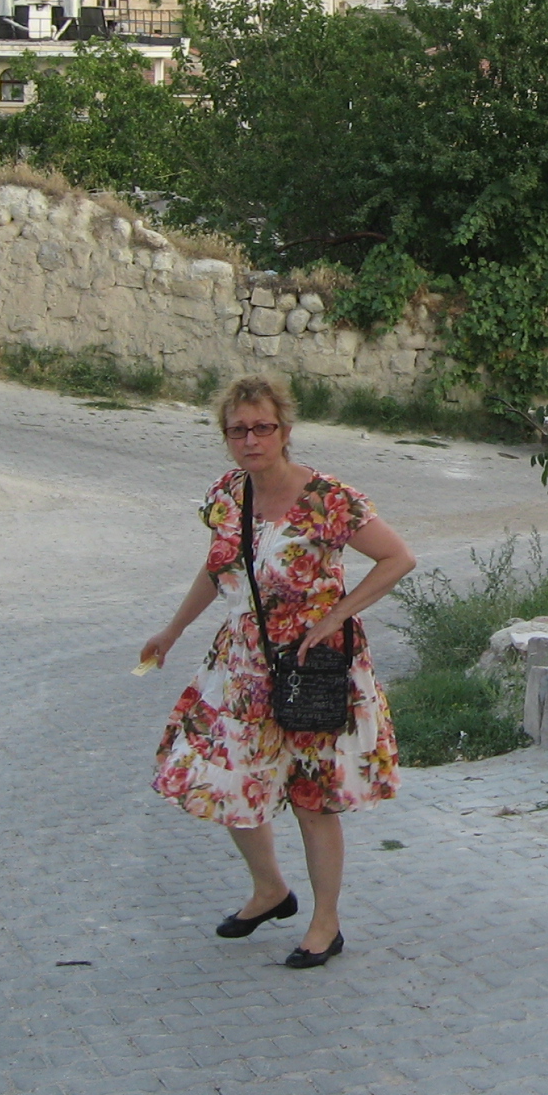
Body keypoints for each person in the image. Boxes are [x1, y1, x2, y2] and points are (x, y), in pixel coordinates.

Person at [142, 376, 414, 968]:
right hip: (242, 664)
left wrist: (336, 615)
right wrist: (172, 630)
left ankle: (325, 923)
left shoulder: (328, 498)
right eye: (238, 430)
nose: (251, 440)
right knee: (224, 780)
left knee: (313, 797)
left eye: (262, 427)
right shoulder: (227, 494)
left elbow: (397, 558)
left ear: (285, 431)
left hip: (314, 666)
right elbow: (217, 570)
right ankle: (270, 890)